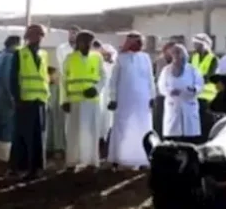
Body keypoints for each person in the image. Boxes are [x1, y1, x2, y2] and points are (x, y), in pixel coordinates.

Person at [107, 32, 155, 169]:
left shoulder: (145, 57)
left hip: (143, 99)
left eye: (139, 41)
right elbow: (113, 80)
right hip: (124, 99)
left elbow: (150, 78)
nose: (138, 44)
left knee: (142, 127)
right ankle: (119, 158)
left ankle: (142, 158)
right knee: (123, 127)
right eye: (134, 41)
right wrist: (113, 98)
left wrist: (152, 96)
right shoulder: (121, 58)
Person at [9, 24, 50, 179]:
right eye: (34, 34)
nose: (37, 38)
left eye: (40, 35)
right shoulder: (20, 54)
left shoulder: (43, 54)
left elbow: (43, 76)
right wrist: (17, 97)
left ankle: (37, 167)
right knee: (22, 135)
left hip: (40, 100)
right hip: (24, 100)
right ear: (28, 36)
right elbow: (13, 78)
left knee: (38, 135)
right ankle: (20, 167)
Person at [61, 31, 106, 170]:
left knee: (92, 131)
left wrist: (96, 89)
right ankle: (72, 161)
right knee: (74, 132)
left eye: (89, 43)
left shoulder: (97, 57)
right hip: (74, 101)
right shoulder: (70, 58)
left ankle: (91, 161)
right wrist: (64, 100)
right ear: (78, 43)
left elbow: (103, 76)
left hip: (92, 101)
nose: (87, 45)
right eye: (84, 42)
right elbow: (63, 81)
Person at [158, 44, 204, 143]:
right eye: (174, 53)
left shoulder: (193, 70)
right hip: (173, 105)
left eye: (179, 53)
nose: (177, 56)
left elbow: (200, 84)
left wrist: (194, 89)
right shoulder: (166, 70)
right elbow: (161, 86)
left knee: (190, 135)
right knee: (173, 136)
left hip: (189, 104)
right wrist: (170, 91)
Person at [0, 35, 21, 159]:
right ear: (15, 44)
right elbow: (8, 78)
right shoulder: (10, 57)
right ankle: (6, 156)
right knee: (8, 126)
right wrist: (12, 96)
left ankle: (0, 154)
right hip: (7, 97)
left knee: (1, 125)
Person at [93, 40, 117, 149]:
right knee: (100, 116)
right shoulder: (96, 59)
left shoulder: (113, 59)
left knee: (109, 118)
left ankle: (107, 140)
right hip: (100, 92)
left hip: (110, 92)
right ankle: (100, 139)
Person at [152, 40, 177, 135]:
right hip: (160, 95)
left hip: (174, 97)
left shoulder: (179, 62)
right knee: (159, 118)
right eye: (170, 50)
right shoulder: (158, 62)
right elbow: (152, 76)